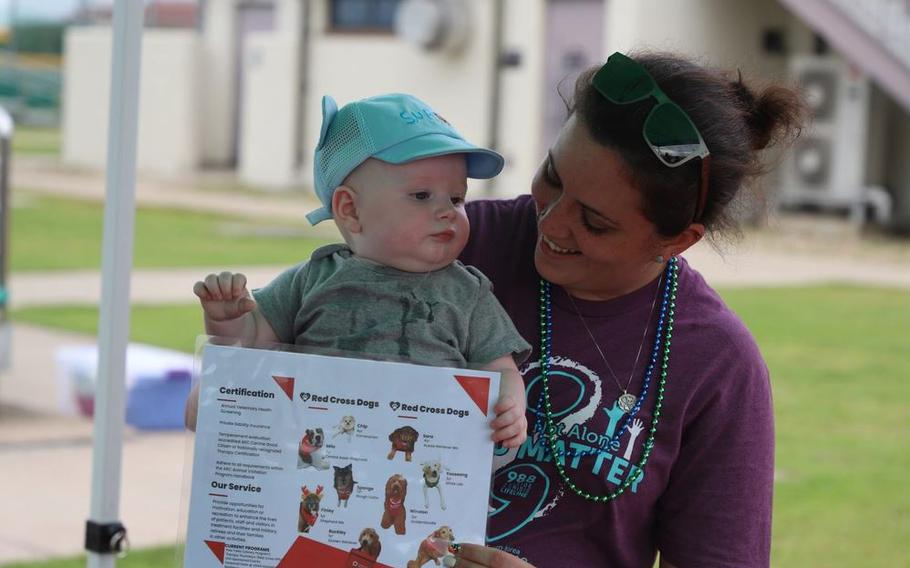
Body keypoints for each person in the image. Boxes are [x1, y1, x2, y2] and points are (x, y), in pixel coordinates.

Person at [450, 51, 805, 567]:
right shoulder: (449, 248)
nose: (550, 222)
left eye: (594, 221)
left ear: (678, 241)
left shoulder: (716, 362)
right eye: (553, 174)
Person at [189, 93, 531, 448]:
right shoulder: (314, 279)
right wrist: (228, 319)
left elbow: (500, 368)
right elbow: (250, 341)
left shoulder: (468, 292)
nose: (447, 211)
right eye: (422, 196)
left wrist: (509, 404)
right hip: (315, 456)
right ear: (350, 210)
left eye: (456, 198)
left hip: (421, 461)